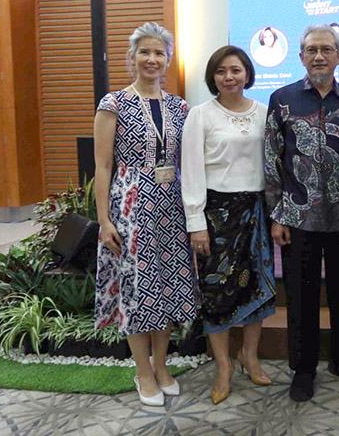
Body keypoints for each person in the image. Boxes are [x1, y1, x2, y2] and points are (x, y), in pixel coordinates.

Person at [264, 24, 339, 402]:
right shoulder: (281, 99)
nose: (318, 56)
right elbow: (271, 159)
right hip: (297, 218)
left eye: (326, 49)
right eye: (311, 49)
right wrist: (276, 214)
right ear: (300, 56)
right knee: (300, 295)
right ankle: (304, 368)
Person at [93, 22, 197, 407]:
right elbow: (102, 166)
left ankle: (162, 364)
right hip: (130, 206)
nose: (152, 59)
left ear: (168, 60)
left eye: (159, 53)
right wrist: (104, 220)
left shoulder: (180, 106)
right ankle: (142, 371)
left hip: (171, 204)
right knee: (138, 289)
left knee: (166, 286)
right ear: (131, 58)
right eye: (145, 52)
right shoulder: (113, 104)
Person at [181, 46, 276, 405]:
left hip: (256, 212)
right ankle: (223, 365)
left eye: (236, 70)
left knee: (257, 288)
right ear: (213, 77)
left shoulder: (264, 114)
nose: (229, 77)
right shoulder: (200, 116)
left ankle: (248, 356)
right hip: (216, 216)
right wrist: (196, 223)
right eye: (221, 71)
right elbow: (190, 172)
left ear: (247, 74)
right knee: (216, 292)